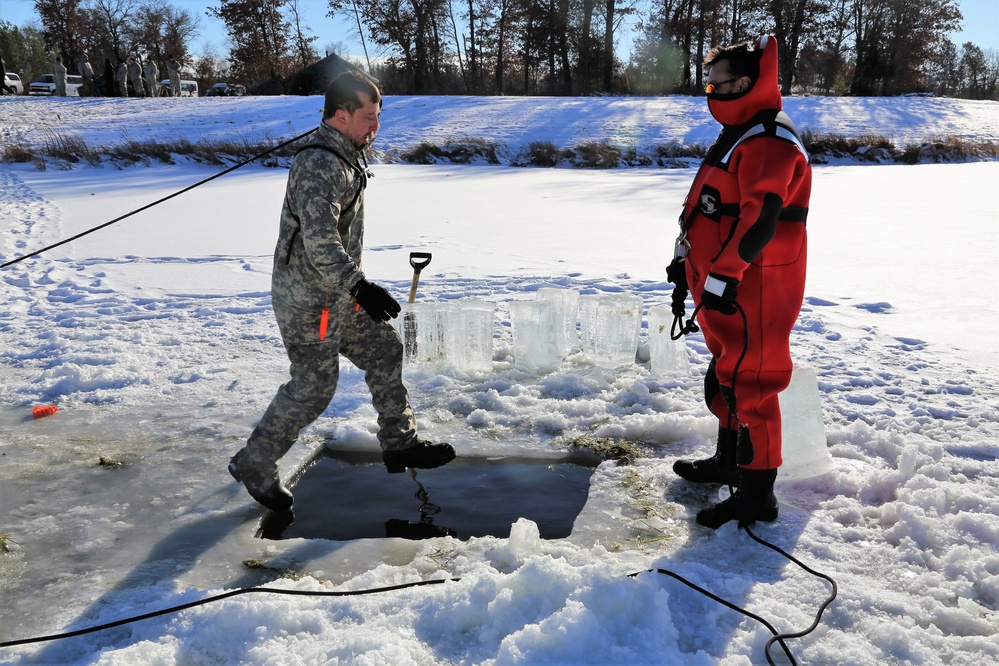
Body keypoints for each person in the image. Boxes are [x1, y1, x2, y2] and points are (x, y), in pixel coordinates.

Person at [228, 71, 455, 512]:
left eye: (377, 117)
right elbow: (319, 241)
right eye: (368, 116)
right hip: (308, 300)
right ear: (340, 115)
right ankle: (254, 463)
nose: (376, 126)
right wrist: (361, 286)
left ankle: (399, 443)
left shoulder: (343, 155)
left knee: (384, 349)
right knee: (315, 385)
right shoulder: (320, 164)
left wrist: (353, 290)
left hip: (336, 294)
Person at [668, 35, 812, 529]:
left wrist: (725, 276)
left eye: (718, 82)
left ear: (746, 83)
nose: (710, 91)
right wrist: (684, 264)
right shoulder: (741, 131)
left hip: (755, 285)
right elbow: (711, 209)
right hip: (722, 283)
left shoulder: (769, 138)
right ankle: (730, 460)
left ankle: (757, 496)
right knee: (727, 373)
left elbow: (761, 217)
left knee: (753, 382)